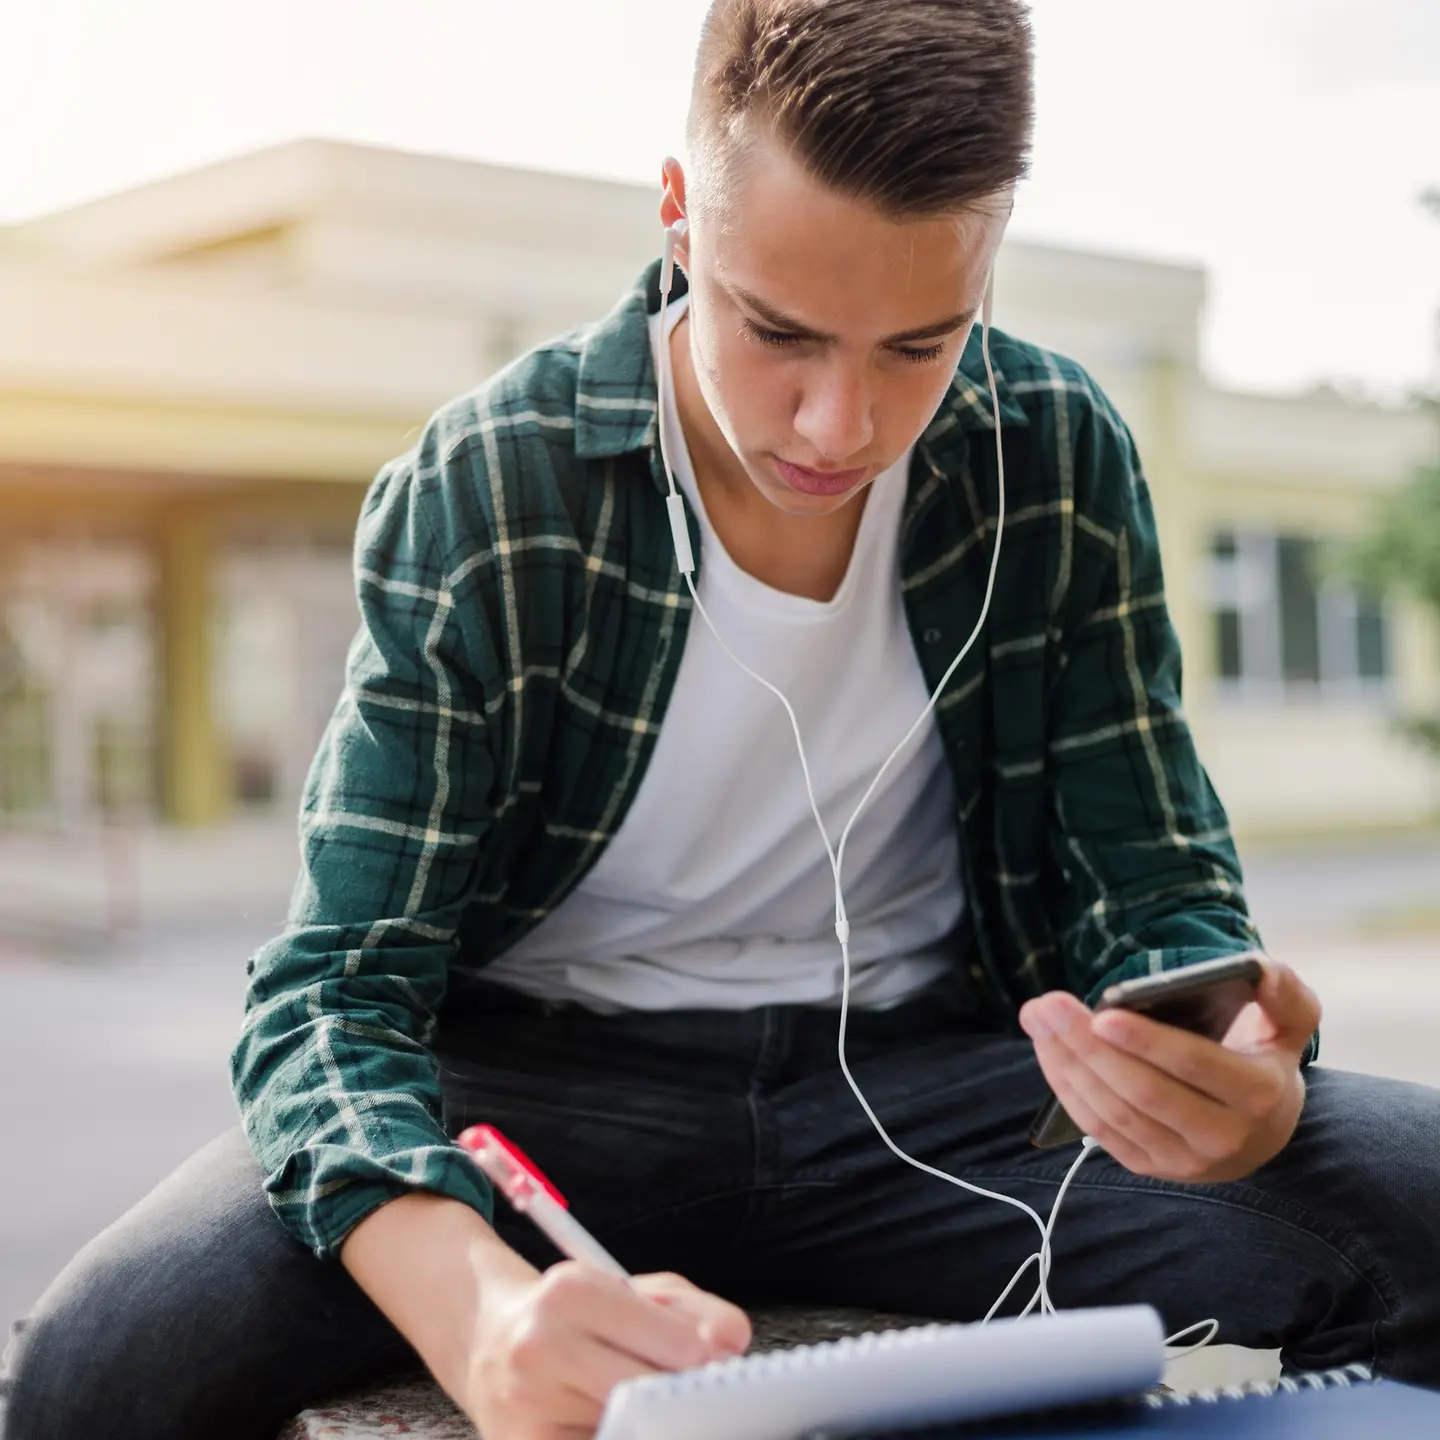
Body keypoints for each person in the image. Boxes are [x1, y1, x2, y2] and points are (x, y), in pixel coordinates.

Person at [5, 2, 1440, 1437]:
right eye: (780, 332)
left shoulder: (1053, 453)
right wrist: (480, 1316)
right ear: (681, 218)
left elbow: (1159, 892)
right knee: (95, 1366)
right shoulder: (495, 483)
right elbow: (332, 990)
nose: (839, 425)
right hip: (541, 1100)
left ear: (990, 254)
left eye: (920, 345)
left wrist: (1227, 1060)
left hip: (935, 1099)